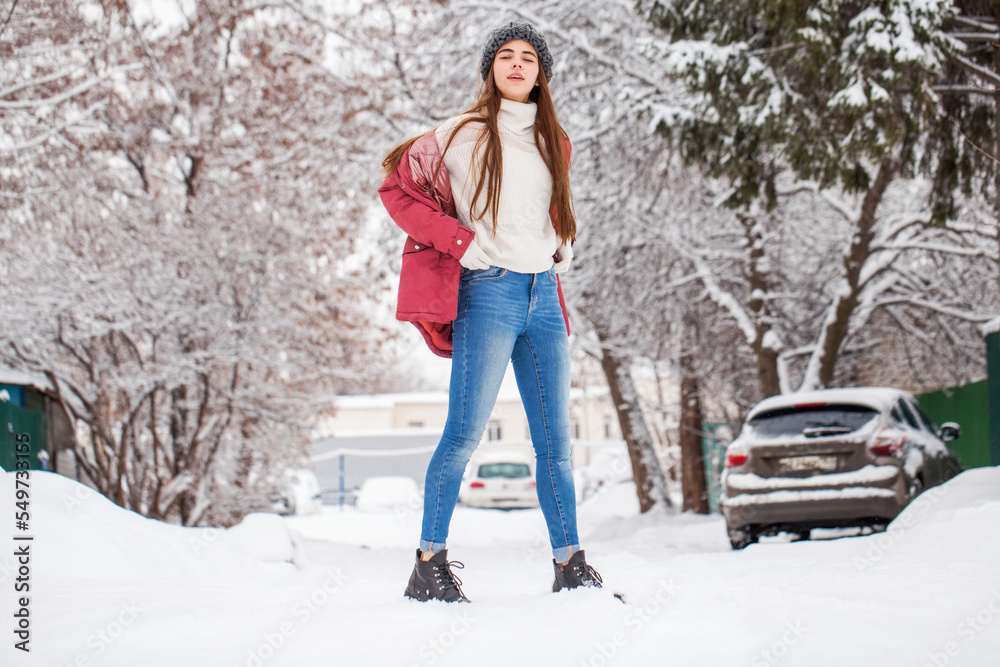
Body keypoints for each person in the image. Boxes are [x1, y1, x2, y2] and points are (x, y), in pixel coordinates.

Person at [379, 21, 604, 603]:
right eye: (506, 55)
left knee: (555, 444)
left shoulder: (557, 140)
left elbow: (541, 206)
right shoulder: (460, 133)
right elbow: (396, 190)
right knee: (463, 434)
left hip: (543, 298)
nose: (517, 63)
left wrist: (561, 239)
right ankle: (428, 564)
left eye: (528, 56)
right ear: (491, 69)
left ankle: (570, 564)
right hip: (489, 292)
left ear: (541, 73)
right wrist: (457, 241)